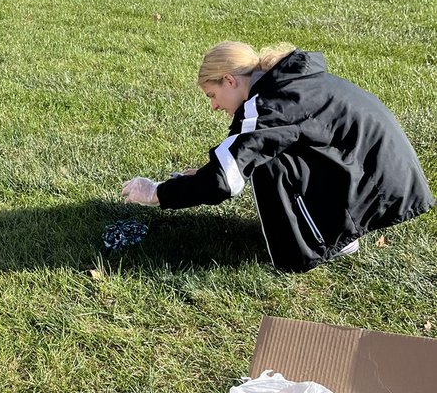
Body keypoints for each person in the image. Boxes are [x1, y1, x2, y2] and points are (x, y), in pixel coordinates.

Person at [122, 42, 434, 272]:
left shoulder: (271, 104)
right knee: (260, 154)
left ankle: (330, 241)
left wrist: (155, 193)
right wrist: (203, 174)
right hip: (388, 176)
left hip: (382, 185)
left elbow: (224, 181)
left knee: (266, 163)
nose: (214, 106)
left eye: (212, 96)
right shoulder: (287, 82)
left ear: (229, 80)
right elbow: (238, 152)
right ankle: (339, 229)